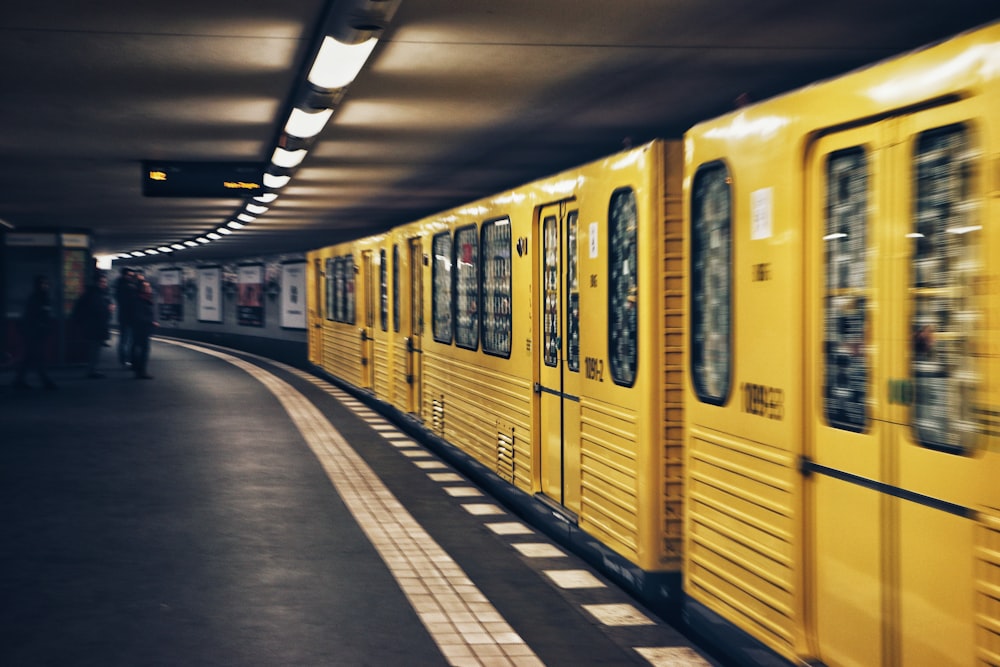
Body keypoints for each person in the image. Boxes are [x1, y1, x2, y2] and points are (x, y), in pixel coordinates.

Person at [12, 275, 57, 390]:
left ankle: (19, 380)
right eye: (43, 284)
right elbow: (34, 316)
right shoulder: (37, 298)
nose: (45, 286)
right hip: (33, 332)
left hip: (36, 331)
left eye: (46, 284)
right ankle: (45, 381)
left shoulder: (42, 297)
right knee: (37, 356)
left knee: (30, 357)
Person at [73, 273, 113, 378]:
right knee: (94, 349)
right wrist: (108, 309)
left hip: (95, 325)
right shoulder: (95, 295)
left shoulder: (95, 293)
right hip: (94, 326)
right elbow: (97, 310)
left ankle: (92, 369)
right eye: (102, 282)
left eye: (105, 282)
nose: (104, 284)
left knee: (95, 349)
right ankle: (91, 370)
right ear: (97, 282)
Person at [130, 279, 158, 379]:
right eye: (147, 287)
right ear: (142, 289)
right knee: (144, 350)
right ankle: (141, 371)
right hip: (141, 329)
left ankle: (139, 370)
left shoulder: (146, 299)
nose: (149, 288)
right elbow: (139, 316)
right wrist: (151, 322)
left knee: (141, 349)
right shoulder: (139, 300)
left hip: (144, 328)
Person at [115, 267, 137, 367]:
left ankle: (125, 359)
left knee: (126, 339)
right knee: (126, 339)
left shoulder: (120, 286)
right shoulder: (125, 287)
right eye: (129, 275)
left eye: (132, 275)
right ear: (124, 275)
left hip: (125, 317)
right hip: (127, 317)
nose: (131, 277)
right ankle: (125, 359)